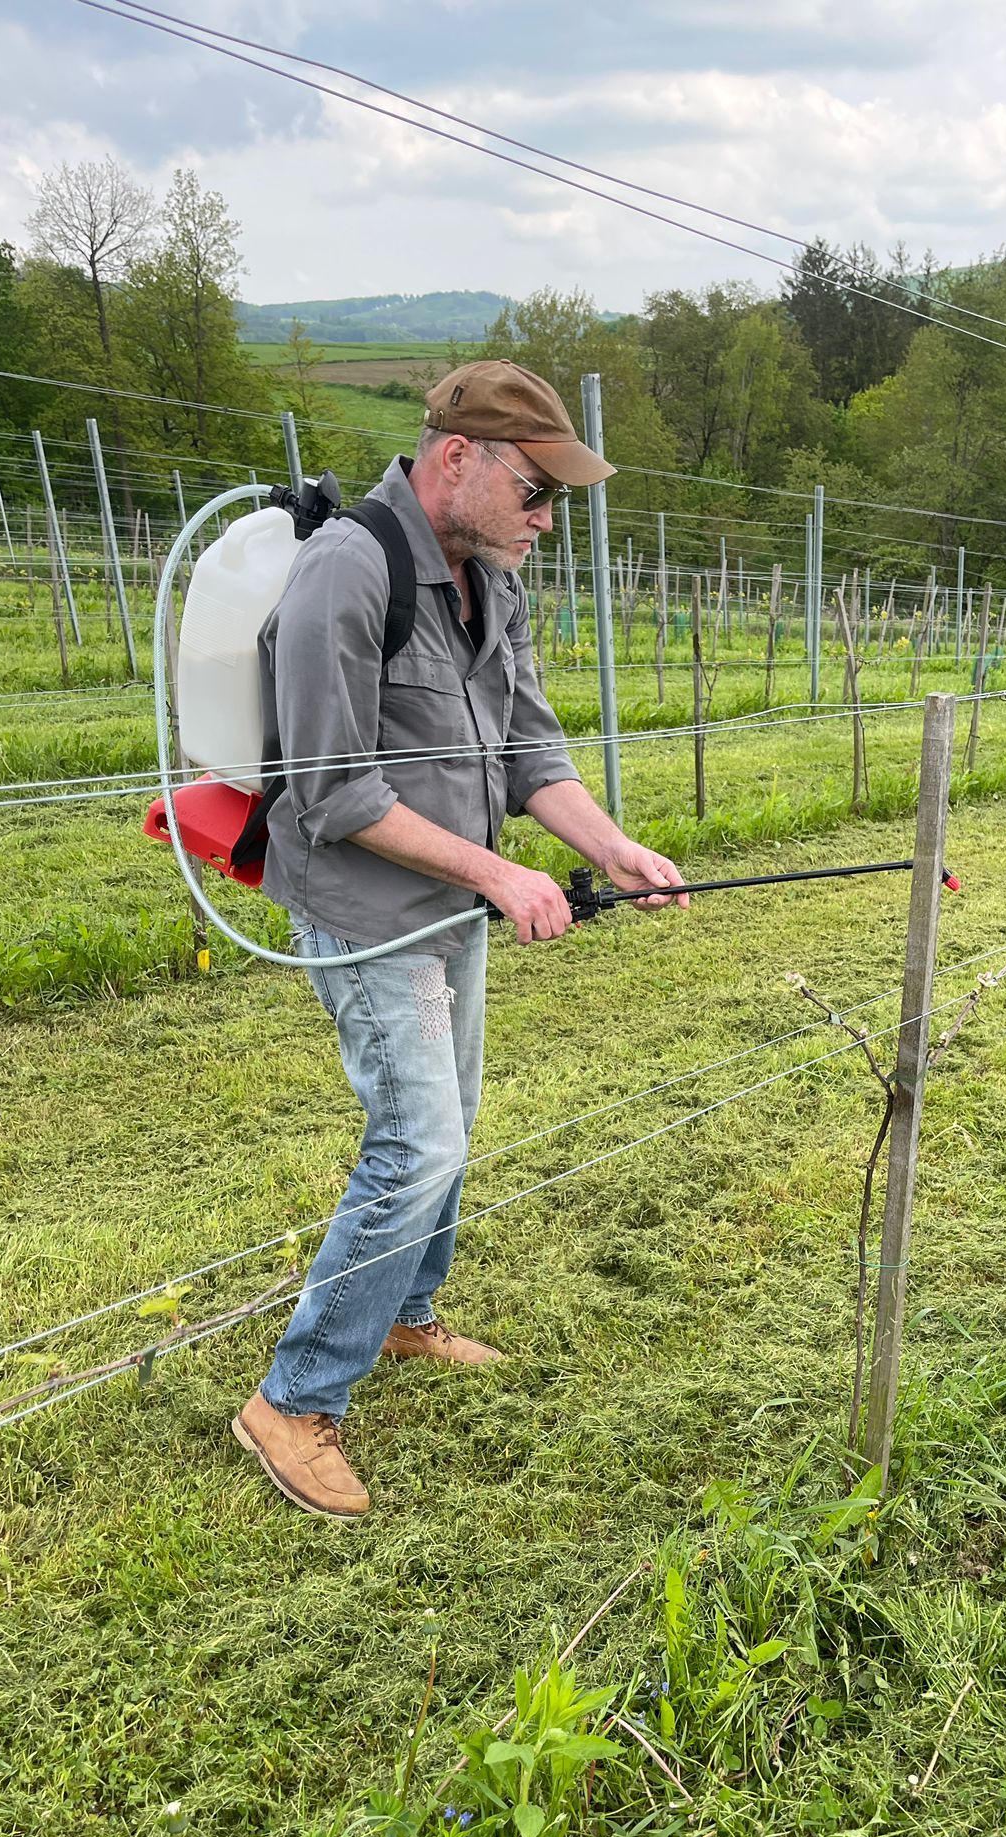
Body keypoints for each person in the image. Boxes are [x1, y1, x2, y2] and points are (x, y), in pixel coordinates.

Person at [232, 361, 687, 1519]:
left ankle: (403, 1314)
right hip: (365, 910)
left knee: (454, 1121)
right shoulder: (349, 570)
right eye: (536, 492)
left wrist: (614, 848)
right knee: (418, 1139)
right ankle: (294, 1398)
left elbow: (531, 751)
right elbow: (335, 792)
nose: (547, 520)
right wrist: (498, 872)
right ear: (456, 459)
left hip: (447, 900)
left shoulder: (493, 579)